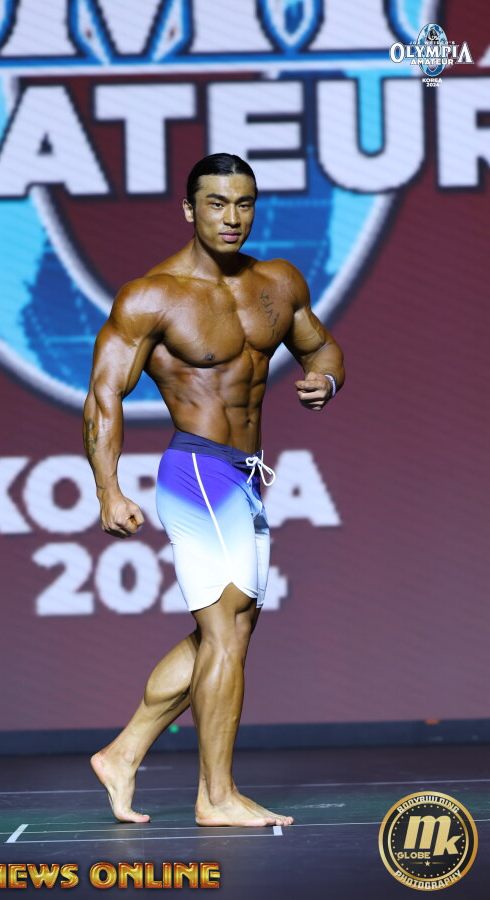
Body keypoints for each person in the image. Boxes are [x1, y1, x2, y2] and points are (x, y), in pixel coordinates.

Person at [83, 153, 344, 828]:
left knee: (227, 629)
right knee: (226, 632)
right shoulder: (153, 296)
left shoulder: (278, 282)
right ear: (189, 209)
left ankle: (123, 754)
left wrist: (325, 379)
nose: (232, 217)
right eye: (217, 203)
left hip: (246, 474)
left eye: (244, 203)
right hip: (197, 470)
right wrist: (108, 489)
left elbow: (320, 347)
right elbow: (104, 396)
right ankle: (216, 796)